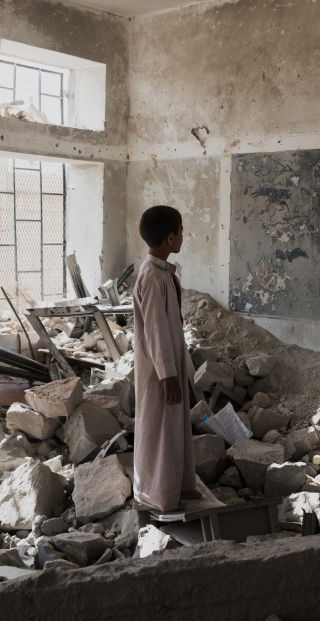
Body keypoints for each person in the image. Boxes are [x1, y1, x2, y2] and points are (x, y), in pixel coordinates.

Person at [132, 205, 201, 512]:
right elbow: (155, 331)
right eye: (181, 231)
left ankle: (178, 485)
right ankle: (156, 493)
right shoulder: (152, 278)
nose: (183, 236)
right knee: (158, 430)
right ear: (170, 237)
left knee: (173, 427)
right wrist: (167, 374)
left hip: (169, 365)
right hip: (159, 371)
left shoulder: (163, 273)